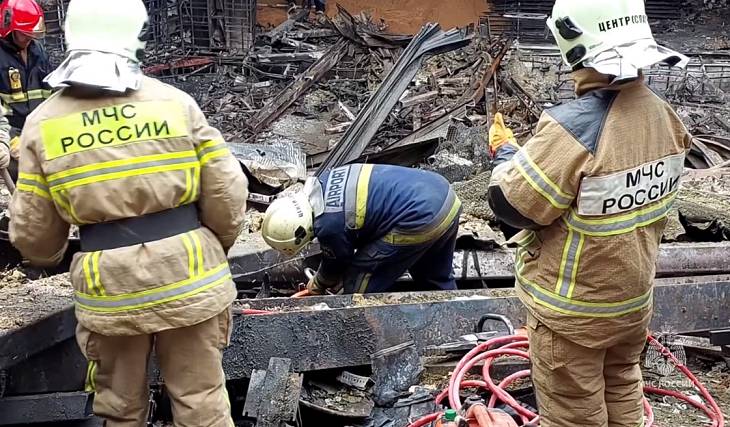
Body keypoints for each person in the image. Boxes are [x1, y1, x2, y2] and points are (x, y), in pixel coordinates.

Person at [9, 0, 248, 425]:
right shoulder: (175, 103)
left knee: (119, 409)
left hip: (111, 292)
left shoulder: (42, 123)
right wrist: (211, 246)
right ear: (134, 35)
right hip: (190, 277)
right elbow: (227, 193)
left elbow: (36, 236)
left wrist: (49, 256)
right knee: (202, 401)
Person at [486, 0, 692, 425]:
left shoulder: (576, 127)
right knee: (622, 387)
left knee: (574, 411)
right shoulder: (664, 117)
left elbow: (514, 205)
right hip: (631, 302)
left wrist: (505, 153)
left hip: (572, 312)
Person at [261, 164, 461, 294]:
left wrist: (318, 284)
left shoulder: (328, 225)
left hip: (419, 216)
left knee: (359, 279)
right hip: (445, 198)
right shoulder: (323, 182)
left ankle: (357, 329)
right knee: (434, 278)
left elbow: (337, 262)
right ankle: (457, 324)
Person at [0, 0, 52, 175]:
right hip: (10, 141)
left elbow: (50, 95)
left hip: (40, 136)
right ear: (9, 29)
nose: (29, 39)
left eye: (32, 34)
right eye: (24, 34)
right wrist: (10, 141)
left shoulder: (38, 52)